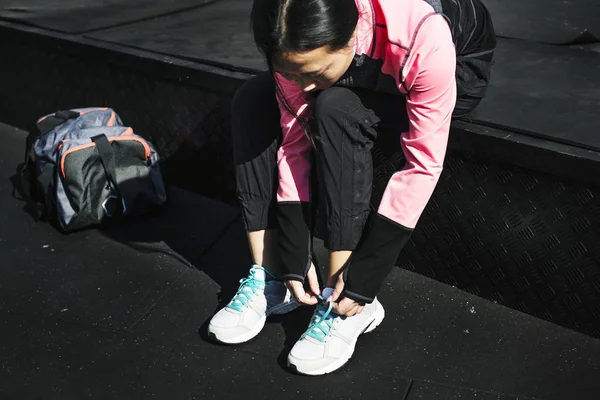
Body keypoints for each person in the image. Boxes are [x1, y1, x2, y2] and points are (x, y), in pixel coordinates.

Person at [207, 0, 496, 375]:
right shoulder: (289, 30)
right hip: (360, 58)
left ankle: (342, 302)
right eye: (290, 72)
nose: (302, 85)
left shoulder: (425, 36)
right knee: (251, 99)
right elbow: (293, 141)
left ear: (347, 39)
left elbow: (423, 165)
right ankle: (270, 272)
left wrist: (366, 276)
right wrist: (293, 249)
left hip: (454, 62)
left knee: (334, 106)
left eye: (312, 71)